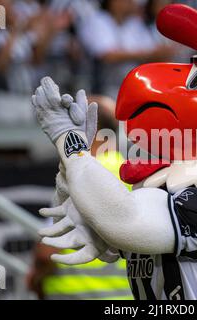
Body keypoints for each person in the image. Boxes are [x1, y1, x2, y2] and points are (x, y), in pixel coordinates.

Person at [26, 95, 132, 300]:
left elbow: (45, 253)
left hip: (73, 293)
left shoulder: (77, 176)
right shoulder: (130, 174)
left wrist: (36, 278)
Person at [79, 0, 175, 98]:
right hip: (100, 90)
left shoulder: (134, 23)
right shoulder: (97, 19)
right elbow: (107, 55)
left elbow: (152, 52)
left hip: (133, 88)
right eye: (127, 1)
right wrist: (149, 54)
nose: (132, 3)